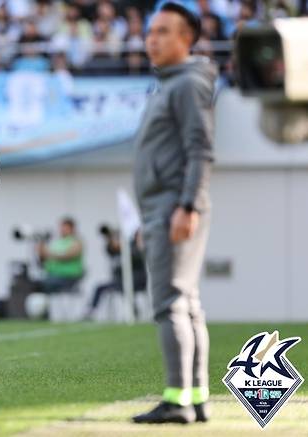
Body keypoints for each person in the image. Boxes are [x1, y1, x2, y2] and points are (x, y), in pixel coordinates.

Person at [131, 3, 215, 424]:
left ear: (187, 39)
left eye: (164, 32)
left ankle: (177, 400)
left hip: (174, 206)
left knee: (169, 304)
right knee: (187, 303)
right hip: (161, 208)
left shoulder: (186, 85)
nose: (153, 39)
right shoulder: (168, 84)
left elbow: (200, 149)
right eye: (151, 32)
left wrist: (187, 206)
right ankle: (196, 398)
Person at [86, 226, 147, 319]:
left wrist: (124, 246)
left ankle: (133, 309)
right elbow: (109, 250)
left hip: (137, 280)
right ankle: (91, 312)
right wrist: (110, 240)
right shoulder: (114, 251)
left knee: (125, 288)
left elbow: (136, 256)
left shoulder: (134, 247)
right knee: (99, 287)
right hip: (119, 281)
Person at [36, 217, 84, 294]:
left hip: (68, 277)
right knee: (32, 284)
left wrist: (48, 253)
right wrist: (40, 249)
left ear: (72, 228)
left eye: (65, 228)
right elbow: (45, 259)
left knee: (42, 285)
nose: (62, 230)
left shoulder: (76, 241)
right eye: (61, 227)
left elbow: (68, 256)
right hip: (52, 275)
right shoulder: (57, 242)